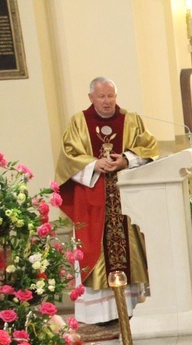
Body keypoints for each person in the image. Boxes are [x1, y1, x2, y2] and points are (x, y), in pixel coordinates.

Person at [57, 76, 158, 324]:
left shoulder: (130, 120)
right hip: (93, 201)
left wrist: (125, 159)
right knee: (96, 249)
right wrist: (93, 164)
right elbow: (69, 155)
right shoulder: (79, 122)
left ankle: (130, 307)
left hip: (125, 200)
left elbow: (149, 147)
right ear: (91, 97)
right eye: (101, 96)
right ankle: (100, 314)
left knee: (128, 249)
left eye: (111, 96)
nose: (107, 101)